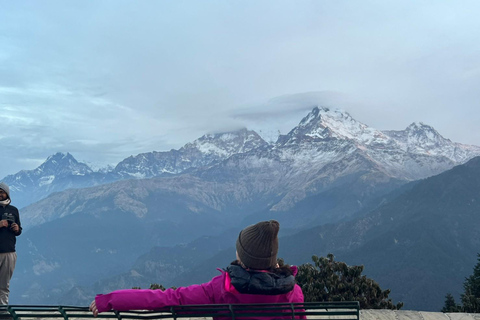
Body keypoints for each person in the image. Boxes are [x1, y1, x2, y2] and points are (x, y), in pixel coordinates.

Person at [89, 220, 304, 319]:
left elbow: (167, 299)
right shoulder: (293, 292)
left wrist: (110, 299)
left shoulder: (221, 289)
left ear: (242, 256)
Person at [0, 182, 21, 306]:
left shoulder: (14, 210)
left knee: (4, 285)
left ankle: (3, 310)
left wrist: (17, 229)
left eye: (2, 192)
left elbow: (19, 231)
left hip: (9, 252)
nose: (0, 195)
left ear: (7, 193)